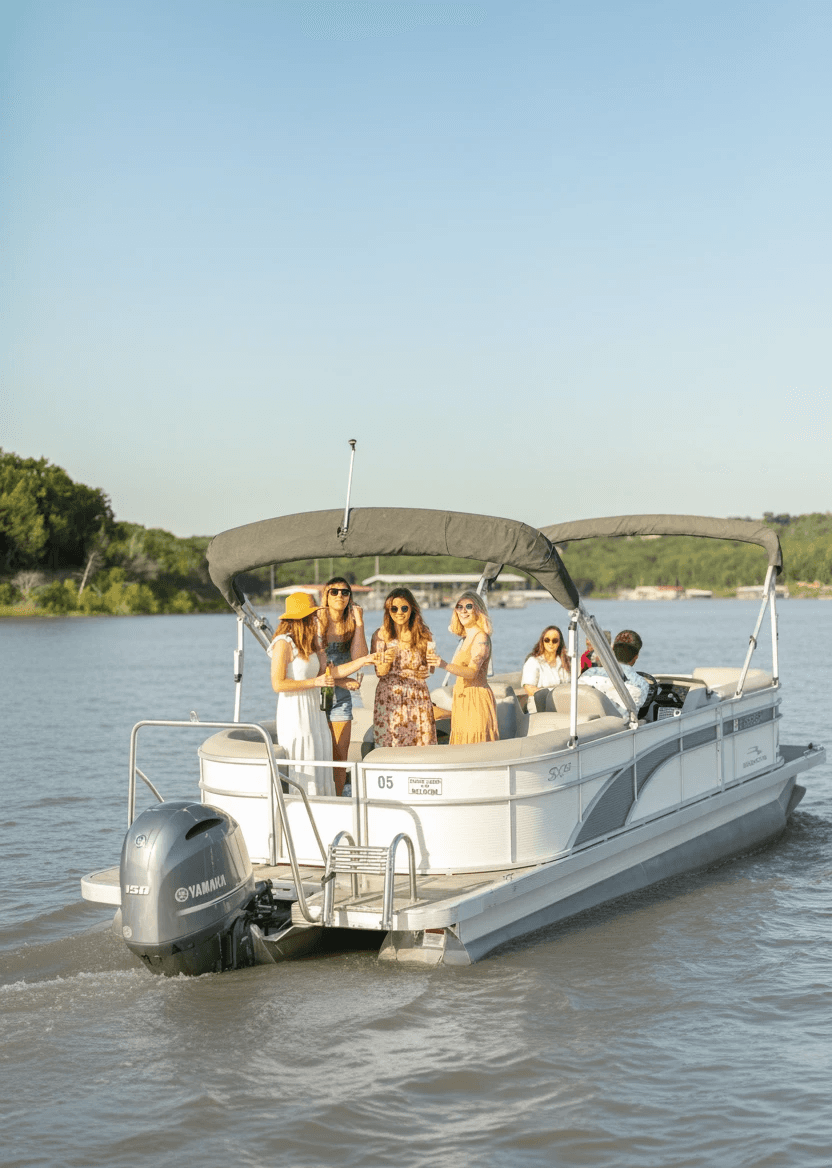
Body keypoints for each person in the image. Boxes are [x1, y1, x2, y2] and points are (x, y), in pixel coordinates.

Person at [270, 592, 376, 795]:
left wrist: (363, 661)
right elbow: (278, 684)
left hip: (315, 712)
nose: (316, 618)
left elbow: (329, 673)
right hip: (296, 713)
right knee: (304, 758)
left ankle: (323, 806)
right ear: (301, 618)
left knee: (320, 755)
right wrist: (315, 682)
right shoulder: (282, 643)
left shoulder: (311, 645)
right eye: (312, 615)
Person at [317, 577, 369, 795]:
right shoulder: (317, 621)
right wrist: (342, 681)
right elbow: (313, 669)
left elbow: (360, 657)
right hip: (314, 695)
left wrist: (359, 624)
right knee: (317, 753)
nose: (340, 596)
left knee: (340, 756)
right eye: (334, 592)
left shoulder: (351, 622)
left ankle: (337, 799)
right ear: (326, 596)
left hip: (340, 699)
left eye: (345, 592)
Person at [427, 590, 498, 744]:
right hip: (461, 699)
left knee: (475, 747)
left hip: (476, 699)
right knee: (460, 747)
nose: (463, 611)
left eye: (468, 606)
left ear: (478, 610)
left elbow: (472, 672)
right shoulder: (465, 639)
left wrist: (443, 664)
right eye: (459, 607)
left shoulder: (481, 638)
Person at [371, 588, 437, 748]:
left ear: (412, 609)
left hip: (418, 696)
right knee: (391, 744)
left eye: (404, 608)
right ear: (388, 611)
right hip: (390, 697)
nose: (399, 612)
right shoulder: (380, 635)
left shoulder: (423, 633)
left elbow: (431, 667)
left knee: (422, 746)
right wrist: (387, 659)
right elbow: (380, 672)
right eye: (394, 608)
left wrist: (425, 669)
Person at [579, 629, 650, 715]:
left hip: (587, 723)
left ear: (612, 650)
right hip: (620, 727)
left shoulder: (588, 675)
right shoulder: (641, 684)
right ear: (636, 657)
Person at [521, 625, 571, 701]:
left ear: (559, 643)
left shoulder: (566, 662)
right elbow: (529, 688)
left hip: (564, 703)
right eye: (547, 640)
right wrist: (551, 698)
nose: (550, 643)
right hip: (541, 705)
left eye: (554, 640)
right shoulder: (533, 662)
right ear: (542, 641)